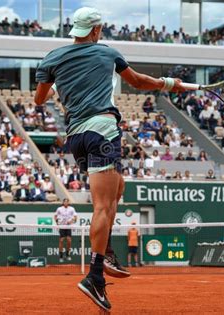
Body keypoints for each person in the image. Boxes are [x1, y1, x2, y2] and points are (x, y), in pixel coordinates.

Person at [34, 7, 186, 310]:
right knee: (103, 206)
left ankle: (105, 252)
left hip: (76, 138)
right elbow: (140, 82)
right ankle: (94, 276)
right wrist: (169, 84)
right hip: (103, 131)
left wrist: (64, 91)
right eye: (100, 28)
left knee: (118, 190)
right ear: (95, 31)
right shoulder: (106, 53)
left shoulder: (52, 58)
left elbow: (39, 99)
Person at [54, 198, 77, 263]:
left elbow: (75, 217)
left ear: (68, 202)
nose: (66, 203)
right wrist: (57, 222)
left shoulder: (72, 209)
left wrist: (71, 221)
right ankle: (61, 255)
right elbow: (55, 216)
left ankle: (67, 254)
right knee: (61, 240)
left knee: (69, 240)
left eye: (67, 201)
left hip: (68, 226)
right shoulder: (59, 209)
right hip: (62, 226)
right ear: (63, 202)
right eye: (65, 201)